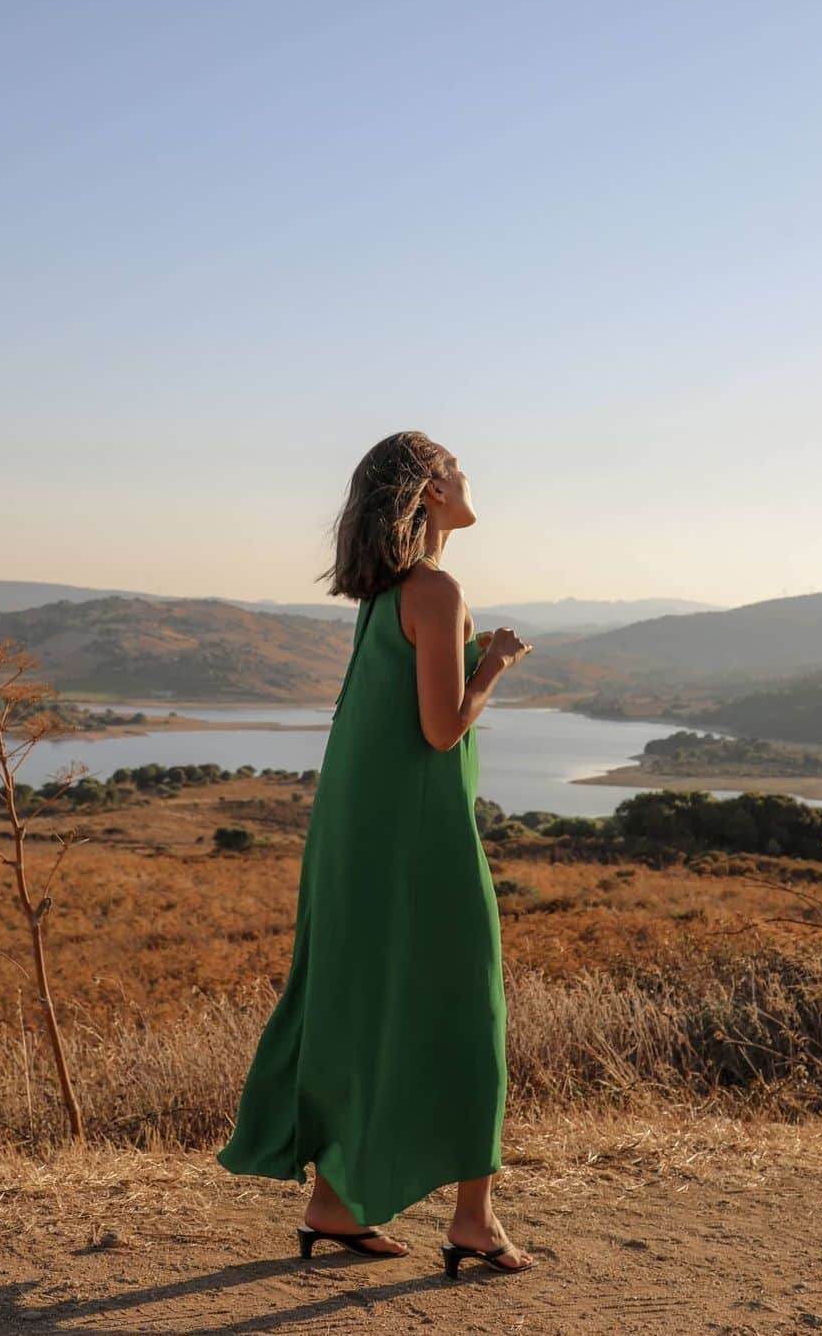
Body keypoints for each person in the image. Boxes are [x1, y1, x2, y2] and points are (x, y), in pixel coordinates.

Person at [216, 431, 536, 1276]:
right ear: (430, 492)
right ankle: (474, 1219)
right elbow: (440, 731)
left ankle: (336, 1202)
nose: (471, 482)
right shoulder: (435, 590)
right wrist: (495, 664)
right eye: (459, 471)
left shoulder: (384, 592)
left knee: (360, 1000)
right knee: (470, 1008)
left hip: (357, 830)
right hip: (417, 836)